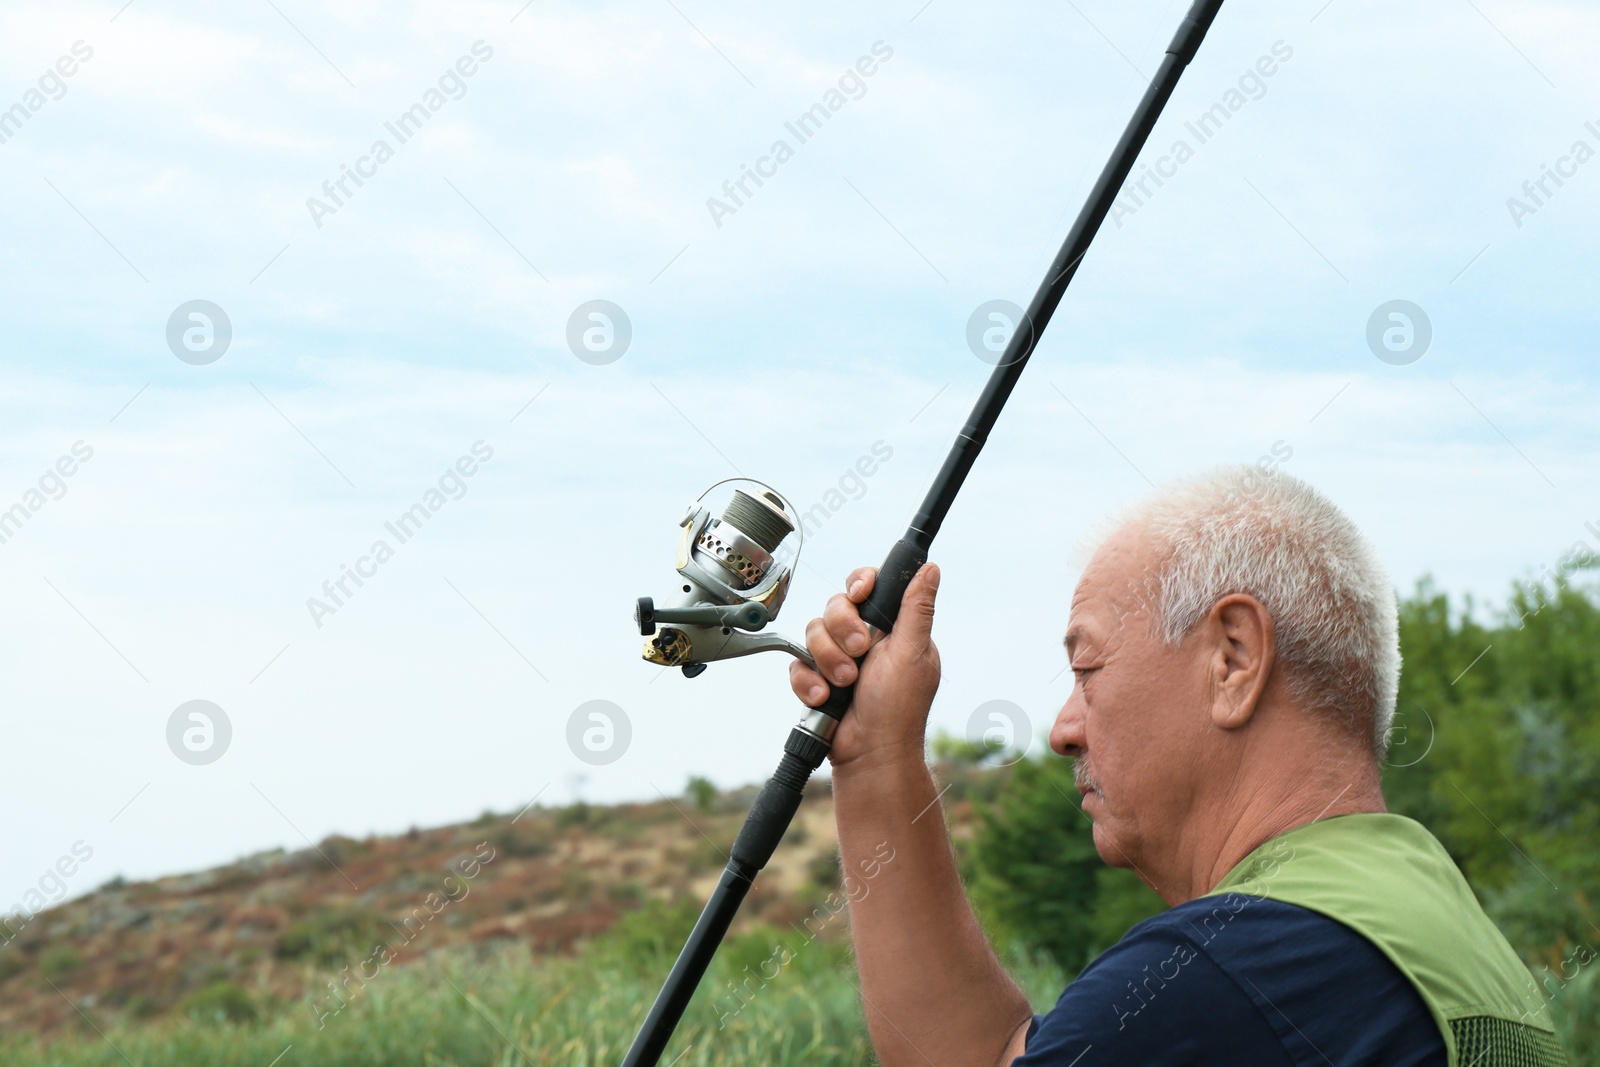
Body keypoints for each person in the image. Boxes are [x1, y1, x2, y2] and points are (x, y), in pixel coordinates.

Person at [789, 465, 1567, 1067]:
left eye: (1086, 669)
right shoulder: (1423, 925)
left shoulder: (1226, 970)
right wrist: (876, 757)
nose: (1063, 730)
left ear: (1233, 659)